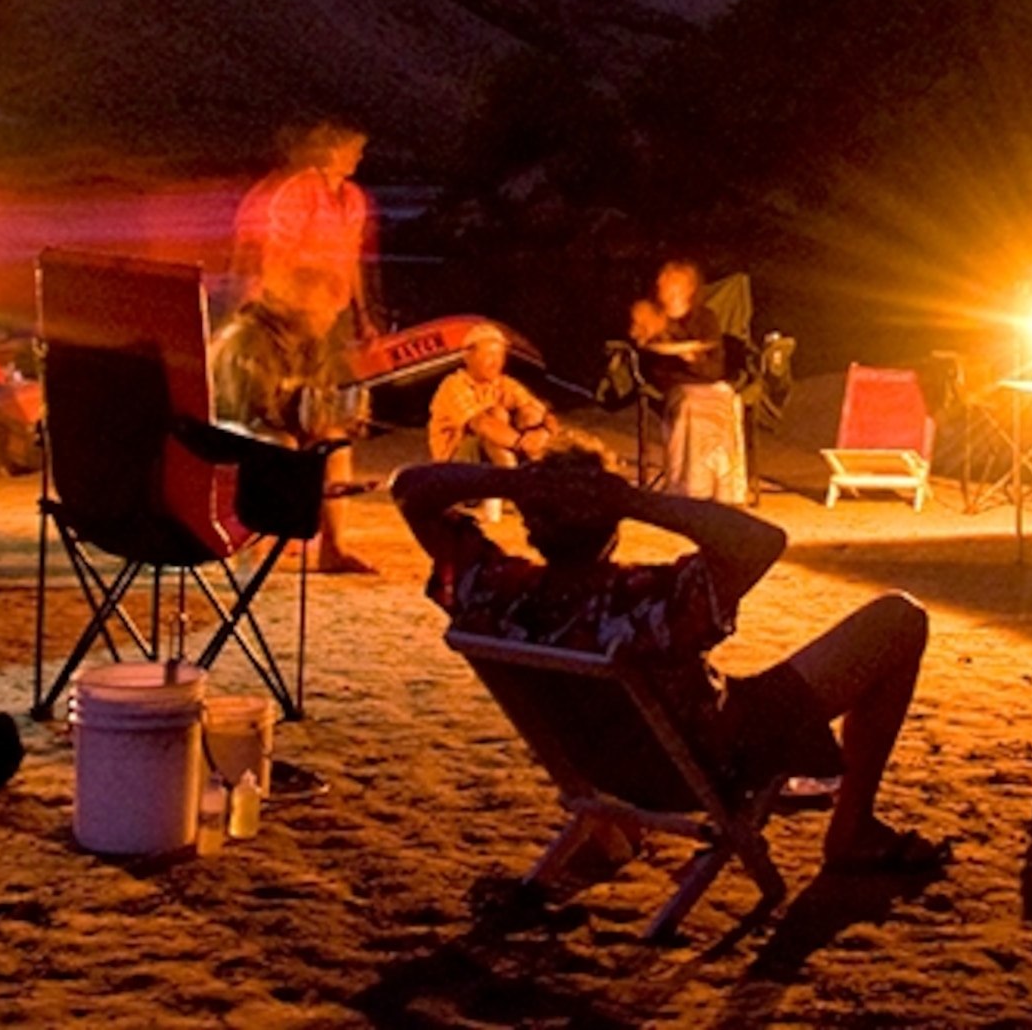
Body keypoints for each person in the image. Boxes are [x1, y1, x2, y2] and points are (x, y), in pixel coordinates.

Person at [397, 443, 945, 879]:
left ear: (530, 524)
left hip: (601, 773)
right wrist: (634, 499)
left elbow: (411, 488)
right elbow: (760, 540)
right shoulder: (642, 600)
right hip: (714, 761)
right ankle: (852, 829)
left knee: (746, 684)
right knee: (899, 619)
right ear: (613, 525)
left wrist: (515, 483)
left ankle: (619, 832)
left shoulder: (497, 593)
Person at [217, 120, 380, 572]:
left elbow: (352, 260)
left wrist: (361, 313)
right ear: (328, 151)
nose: (359, 157)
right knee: (278, 424)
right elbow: (272, 250)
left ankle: (334, 546)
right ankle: (266, 527)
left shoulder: (352, 198)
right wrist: (274, 302)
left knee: (333, 426)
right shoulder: (295, 192)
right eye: (353, 149)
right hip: (290, 303)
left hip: (327, 307)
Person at [630, 259, 749, 503]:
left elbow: (715, 369)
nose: (665, 289)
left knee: (728, 400)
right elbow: (646, 355)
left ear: (687, 288)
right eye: (663, 284)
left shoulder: (706, 319)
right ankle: (688, 484)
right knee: (690, 405)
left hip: (706, 381)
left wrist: (691, 357)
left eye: (672, 284)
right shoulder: (653, 315)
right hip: (674, 385)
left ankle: (725, 487)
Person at [425, 324, 556, 466]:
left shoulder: (505, 383)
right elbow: (482, 424)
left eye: (499, 355)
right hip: (454, 462)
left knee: (531, 415)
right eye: (489, 355)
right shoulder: (453, 385)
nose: (496, 362)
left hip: (507, 444)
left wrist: (544, 432)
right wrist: (522, 444)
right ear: (468, 357)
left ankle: (534, 473)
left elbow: (544, 413)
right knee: (497, 416)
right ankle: (511, 478)